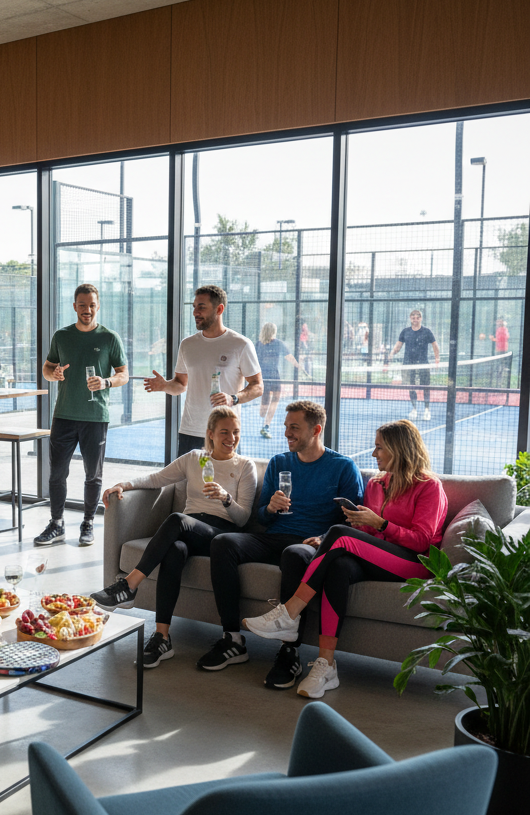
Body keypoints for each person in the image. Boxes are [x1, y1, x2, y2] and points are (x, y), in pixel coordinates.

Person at [244, 419, 447, 698]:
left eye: (379, 448)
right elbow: (363, 530)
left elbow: (422, 540)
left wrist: (381, 524)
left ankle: (289, 612)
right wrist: (327, 539)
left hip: (413, 563)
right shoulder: (377, 483)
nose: (374, 454)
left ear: (400, 450)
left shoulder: (429, 486)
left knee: (338, 533)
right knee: (338, 566)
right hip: (378, 556)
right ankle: (326, 666)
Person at [202, 401, 365, 688]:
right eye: (286, 426)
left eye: (294, 427)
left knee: (294, 554)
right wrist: (270, 508)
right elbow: (261, 517)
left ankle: (289, 653)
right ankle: (233, 639)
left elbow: (354, 522)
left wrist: (325, 537)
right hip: (274, 535)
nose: (286, 433)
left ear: (316, 430)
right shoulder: (279, 462)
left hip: (310, 543)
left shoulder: (343, 467)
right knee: (223, 542)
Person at [91, 407, 257, 667]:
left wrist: (226, 498)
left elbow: (243, 519)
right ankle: (162, 637)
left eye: (236, 432)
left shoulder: (245, 466)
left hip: (222, 534)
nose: (231, 438)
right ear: (211, 434)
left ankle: (129, 585)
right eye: (224, 432)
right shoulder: (196, 458)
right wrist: (124, 484)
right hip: (190, 530)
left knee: (177, 520)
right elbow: (157, 478)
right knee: (174, 550)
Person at [34, 283, 128, 548]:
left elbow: (124, 374)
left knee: (93, 476)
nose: (87, 310)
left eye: (92, 305)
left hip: (95, 417)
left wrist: (106, 382)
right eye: (82, 305)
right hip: (63, 415)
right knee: (56, 474)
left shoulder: (109, 338)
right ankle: (56, 524)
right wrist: (53, 374)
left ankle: (88, 523)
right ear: (74, 306)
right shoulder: (61, 336)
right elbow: (47, 367)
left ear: (98, 306)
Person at [144, 285, 262, 455]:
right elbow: (180, 384)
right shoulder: (187, 344)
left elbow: (257, 386)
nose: (195, 312)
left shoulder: (240, 344)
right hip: (190, 430)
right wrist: (165, 386)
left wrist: (233, 398)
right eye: (194, 307)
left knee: (222, 482)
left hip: (224, 432)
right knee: (188, 482)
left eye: (202, 307)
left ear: (219, 309)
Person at [385, 309, 440, 421]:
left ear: (421, 318)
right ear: (410, 318)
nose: (415, 319)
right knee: (411, 387)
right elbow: (398, 346)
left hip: (423, 364)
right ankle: (414, 409)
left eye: (417, 317)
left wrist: (437, 359)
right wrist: (391, 354)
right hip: (408, 364)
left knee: (426, 387)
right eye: (413, 317)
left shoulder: (427, 332)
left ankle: (426, 410)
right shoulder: (405, 331)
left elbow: (435, 345)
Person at [256, 322, 307, 438]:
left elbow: (252, 360)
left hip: (263, 377)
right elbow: (289, 357)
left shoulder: (258, 344)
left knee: (266, 403)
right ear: (274, 332)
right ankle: (266, 424)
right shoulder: (278, 343)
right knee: (274, 401)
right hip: (273, 376)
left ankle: (265, 424)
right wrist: (299, 366)